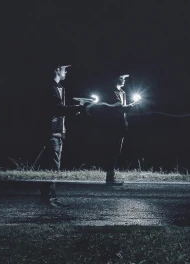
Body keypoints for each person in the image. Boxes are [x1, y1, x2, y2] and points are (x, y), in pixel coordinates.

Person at [39, 64, 85, 206]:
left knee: (53, 165)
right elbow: (58, 108)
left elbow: (61, 110)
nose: (66, 72)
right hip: (51, 132)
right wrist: (78, 107)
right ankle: (49, 199)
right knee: (52, 166)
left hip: (58, 132)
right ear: (57, 69)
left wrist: (73, 111)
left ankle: (49, 198)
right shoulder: (50, 88)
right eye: (65, 69)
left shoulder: (60, 88)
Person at [88, 74, 137, 186]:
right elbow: (118, 109)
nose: (124, 80)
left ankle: (110, 176)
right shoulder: (111, 92)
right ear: (115, 78)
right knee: (112, 150)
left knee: (116, 151)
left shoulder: (122, 92)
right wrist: (133, 105)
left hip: (120, 125)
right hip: (112, 125)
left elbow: (123, 110)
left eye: (124, 78)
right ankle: (110, 177)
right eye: (121, 77)